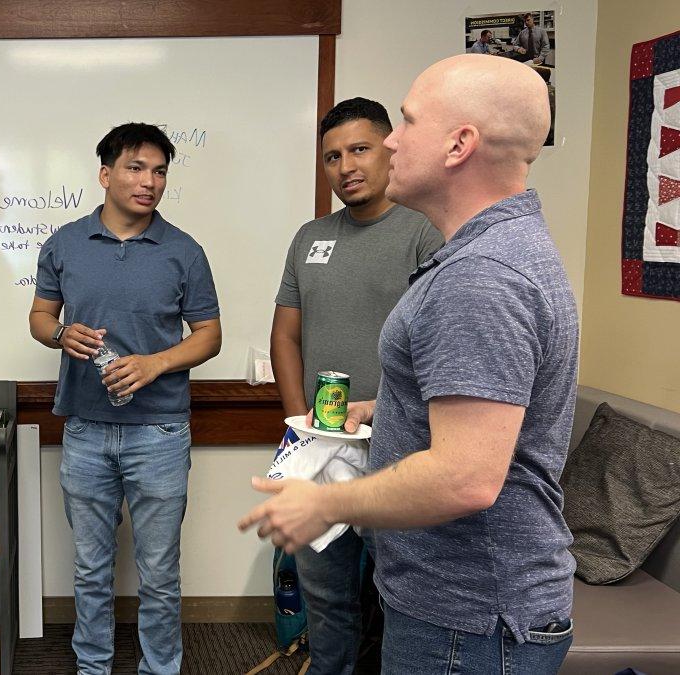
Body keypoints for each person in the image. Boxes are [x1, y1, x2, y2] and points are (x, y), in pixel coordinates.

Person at [241, 54, 578, 674]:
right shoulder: (490, 252)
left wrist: (324, 506)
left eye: (407, 121)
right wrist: (380, 406)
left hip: (469, 621)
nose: (394, 141)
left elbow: (464, 478)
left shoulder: (480, 277)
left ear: (459, 144)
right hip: (464, 609)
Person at [28, 123, 221, 674]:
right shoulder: (64, 243)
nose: (150, 182)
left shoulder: (184, 250)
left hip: (159, 431)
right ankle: (94, 667)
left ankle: (160, 668)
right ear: (106, 173)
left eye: (160, 171)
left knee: (159, 572)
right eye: (137, 168)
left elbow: (209, 334)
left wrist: (154, 364)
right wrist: (60, 333)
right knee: (91, 568)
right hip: (86, 429)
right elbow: (41, 318)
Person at [270, 97, 441, 675]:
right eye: (332, 156)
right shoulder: (309, 237)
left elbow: (438, 351)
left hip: (399, 451)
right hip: (321, 449)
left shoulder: (427, 233)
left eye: (360, 149)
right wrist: (305, 430)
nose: (346, 166)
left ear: (391, 148)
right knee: (325, 596)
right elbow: (286, 339)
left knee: (400, 600)